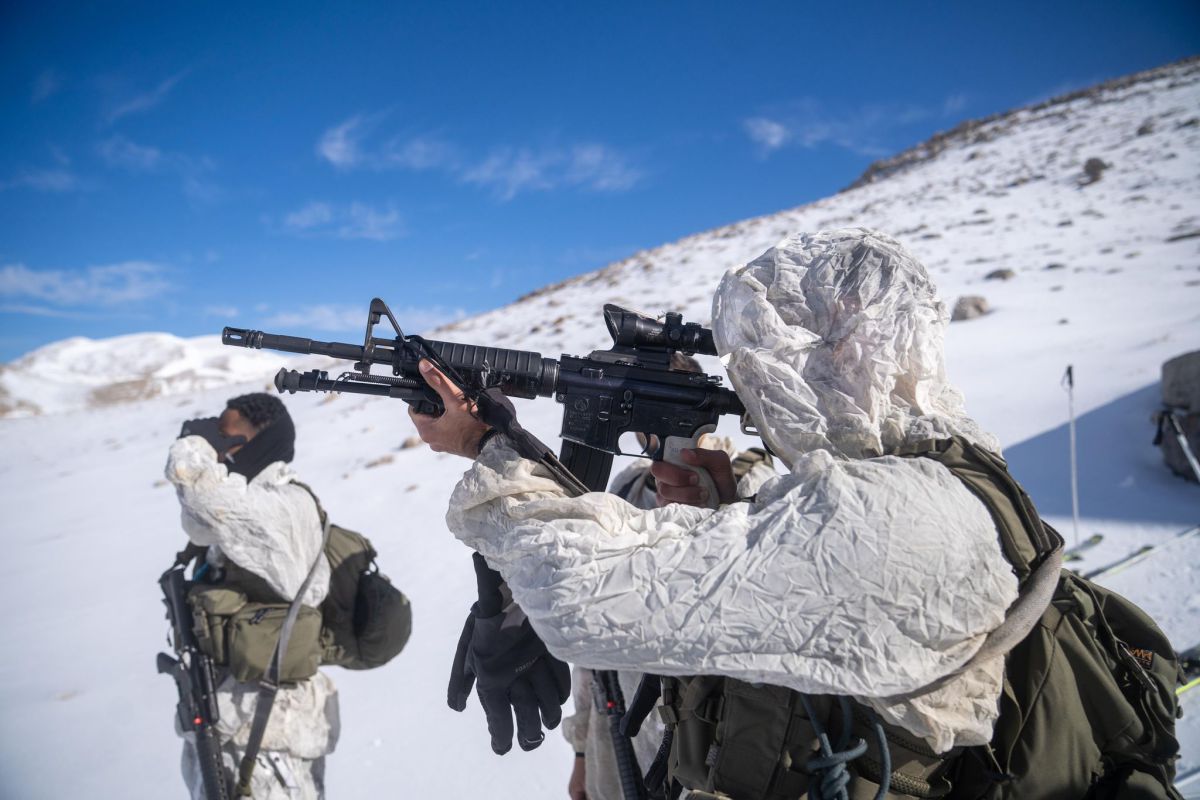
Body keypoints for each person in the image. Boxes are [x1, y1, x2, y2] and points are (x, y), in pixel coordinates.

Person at [411, 227, 1034, 798]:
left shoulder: (903, 509)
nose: (756, 389)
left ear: (856, 349)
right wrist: (718, 514)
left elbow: (576, 598)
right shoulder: (914, 476)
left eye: (773, 359)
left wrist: (484, 445)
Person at [563, 435, 777, 800]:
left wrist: (719, 512)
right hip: (613, 747)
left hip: (704, 755)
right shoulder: (627, 487)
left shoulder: (749, 482)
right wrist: (582, 751)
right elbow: (593, 631)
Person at [166, 393, 339, 800]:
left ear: (261, 439)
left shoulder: (285, 504)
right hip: (232, 722)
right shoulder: (251, 502)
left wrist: (194, 444)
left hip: (269, 733)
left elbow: (205, 501)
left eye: (226, 436)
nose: (219, 450)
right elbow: (199, 524)